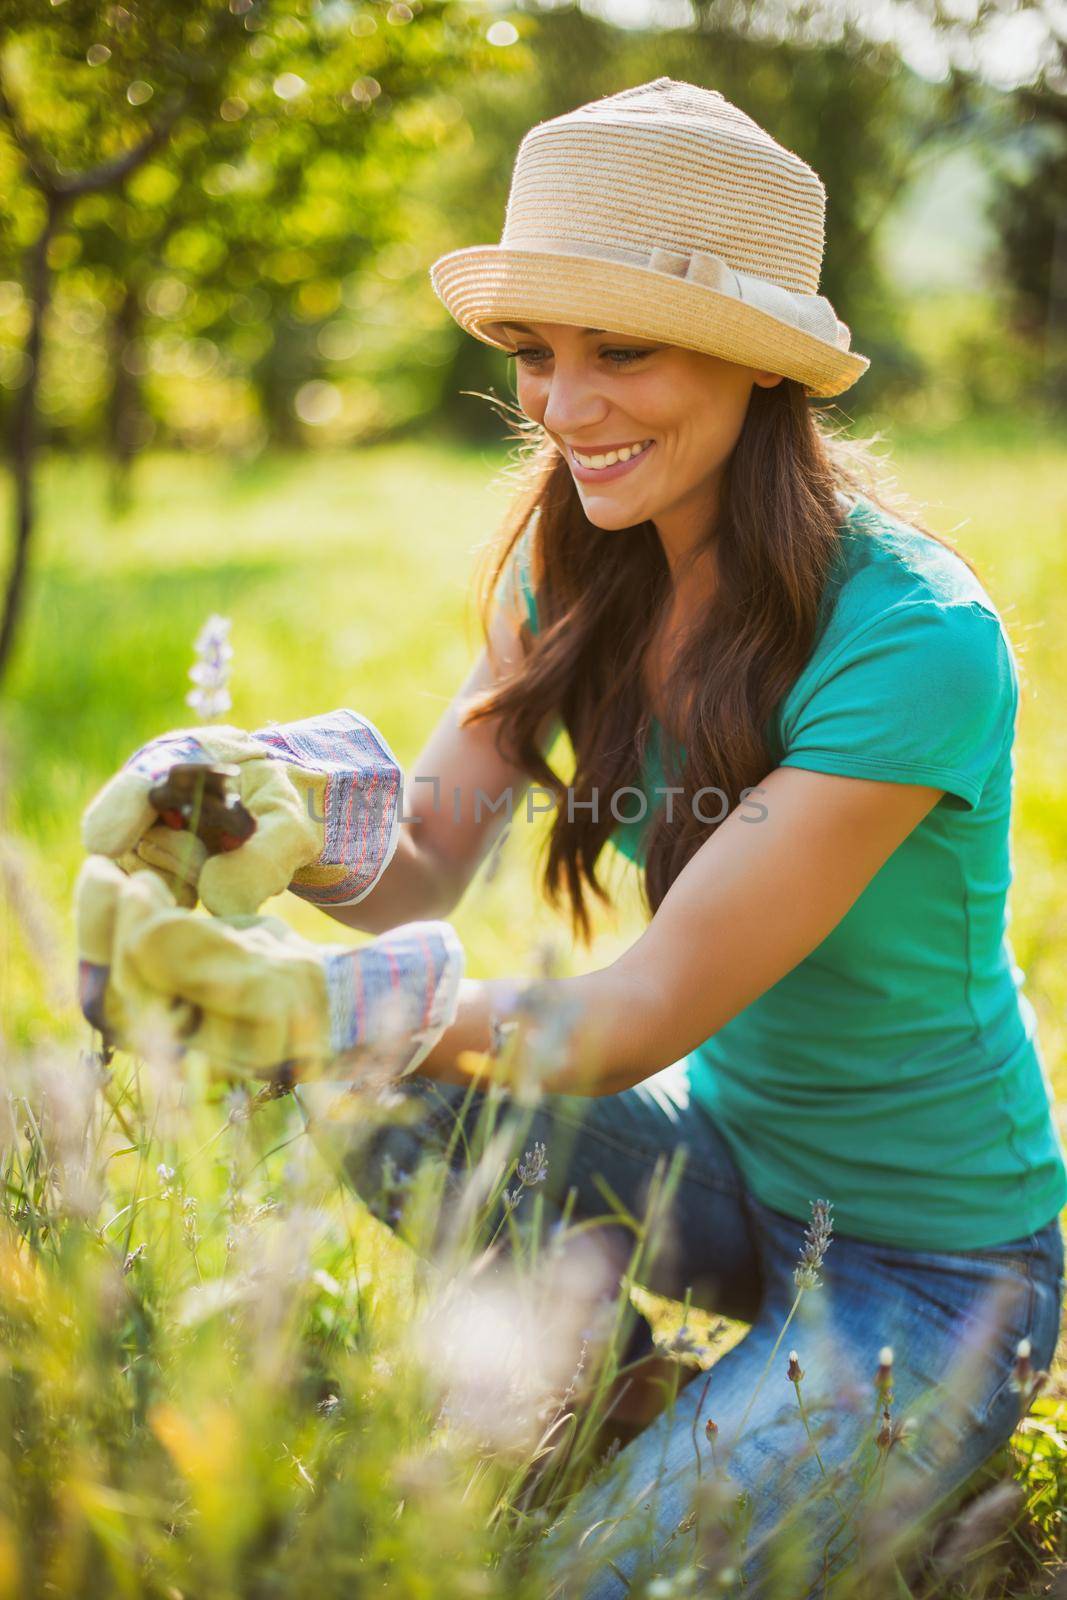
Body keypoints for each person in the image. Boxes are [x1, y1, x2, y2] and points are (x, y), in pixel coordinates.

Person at [76, 78, 1066, 1598]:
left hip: (939, 1271)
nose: (561, 404)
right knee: (375, 1086)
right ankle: (622, 1389)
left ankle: (881, 1434)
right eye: (537, 353)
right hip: (732, 1163)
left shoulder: (914, 640)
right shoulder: (573, 567)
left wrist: (321, 1004)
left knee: (603, 1581)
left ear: (753, 363)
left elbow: (628, 1020)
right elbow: (414, 858)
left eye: (622, 349)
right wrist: (260, 804)